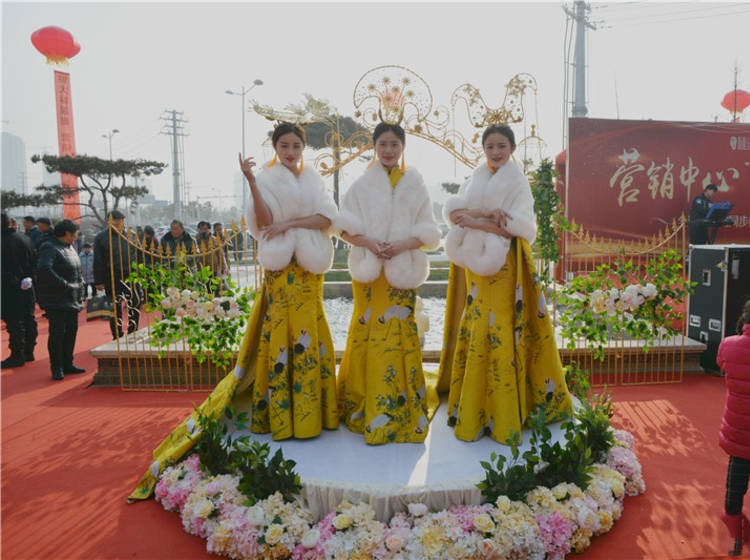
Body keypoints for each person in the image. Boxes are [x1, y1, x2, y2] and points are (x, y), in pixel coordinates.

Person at [128, 122, 341, 501]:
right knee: (280, 338)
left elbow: (328, 219)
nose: (290, 151)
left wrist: (292, 224)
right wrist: (252, 182)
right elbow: (263, 223)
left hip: (310, 271)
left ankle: (316, 413)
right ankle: (281, 416)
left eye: (296, 145)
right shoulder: (267, 178)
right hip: (281, 272)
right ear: (275, 147)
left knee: (310, 335)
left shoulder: (314, 180)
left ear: (303, 147)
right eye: (284, 145)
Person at [440, 124, 572, 443]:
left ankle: (502, 411)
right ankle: (474, 406)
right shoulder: (476, 177)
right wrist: (485, 215)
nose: (496, 152)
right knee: (477, 324)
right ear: (484, 149)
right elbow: (456, 214)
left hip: (503, 264)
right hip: (475, 265)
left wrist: (476, 221)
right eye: (490, 146)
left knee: (499, 326)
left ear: (512, 148)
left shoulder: (518, 182)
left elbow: (519, 228)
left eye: (501, 146)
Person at [335, 122, 441, 444]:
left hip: (402, 271)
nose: (388, 150)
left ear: (403, 146)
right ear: (374, 146)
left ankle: (401, 403)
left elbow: (429, 232)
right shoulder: (361, 186)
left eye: (394, 144)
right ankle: (363, 404)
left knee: (399, 332)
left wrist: (402, 246)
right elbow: (342, 228)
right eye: (382, 144)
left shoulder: (416, 185)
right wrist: (368, 242)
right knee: (368, 331)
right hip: (370, 274)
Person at [718, 299, 750, 556]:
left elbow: (722, 365)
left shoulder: (728, 345)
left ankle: (738, 539)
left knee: (735, 488)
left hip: (739, 430)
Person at [36, 219, 86, 380]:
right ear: (67, 233)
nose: (76, 237)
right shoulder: (49, 247)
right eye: (75, 234)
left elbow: (76, 269)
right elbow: (44, 268)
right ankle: (56, 366)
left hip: (72, 297)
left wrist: (81, 284)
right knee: (57, 334)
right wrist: (64, 284)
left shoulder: (70, 247)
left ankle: (67, 363)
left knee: (71, 331)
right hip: (57, 298)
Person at [94, 210, 143, 339]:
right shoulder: (101, 237)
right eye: (115, 220)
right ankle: (117, 334)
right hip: (111, 276)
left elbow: (139, 255)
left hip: (131, 276)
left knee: (135, 303)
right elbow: (98, 260)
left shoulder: (131, 235)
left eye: (120, 220)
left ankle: (133, 332)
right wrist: (98, 281)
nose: (118, 223)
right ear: (109, 221)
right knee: (114, 308)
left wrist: (140, 273)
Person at [1, 212, 38, 368]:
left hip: (8, 287)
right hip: (27, 285)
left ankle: (17, 355)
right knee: (29, 319)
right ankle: (29, 351)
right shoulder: (25, 238)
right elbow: (35, 261)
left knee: (14, 322)